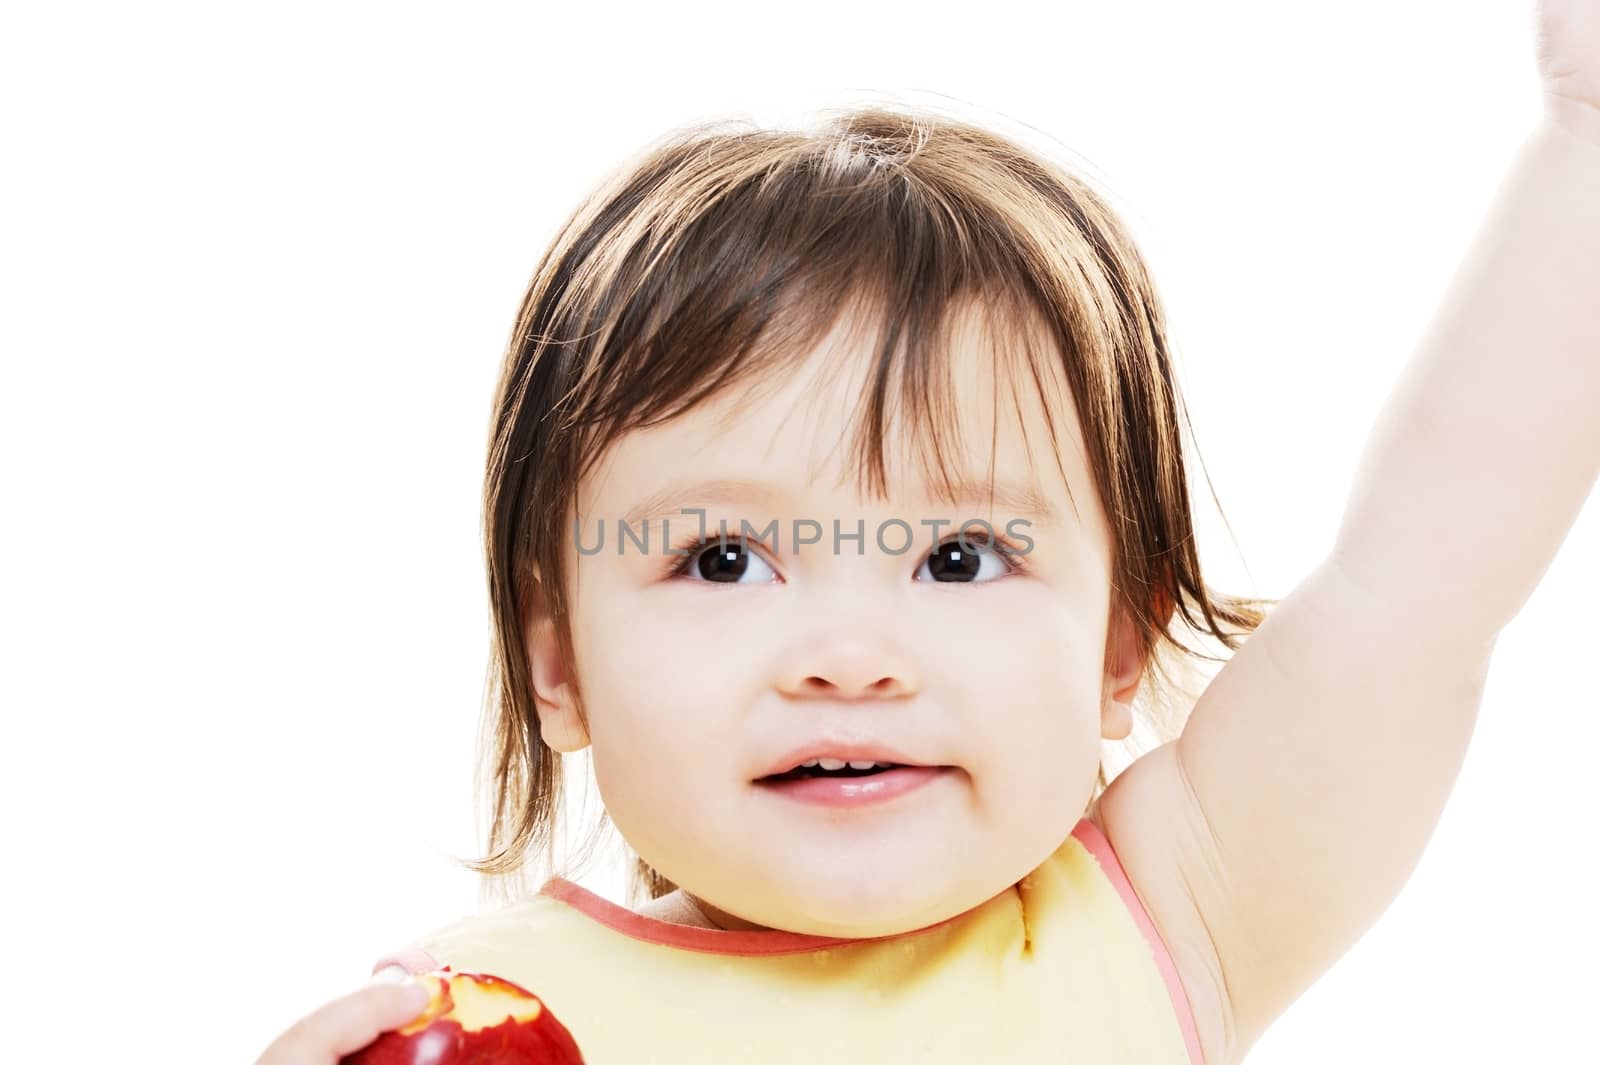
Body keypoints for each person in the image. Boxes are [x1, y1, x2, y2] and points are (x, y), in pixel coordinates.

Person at [256, 4, 1600, 1061]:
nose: (849, 655)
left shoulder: (1169, 917)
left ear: (1118, 646)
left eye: (959, 558)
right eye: (723, 558)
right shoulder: (497, 1012)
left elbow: (1416, 588)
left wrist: (1587, 139)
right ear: (558, 664)